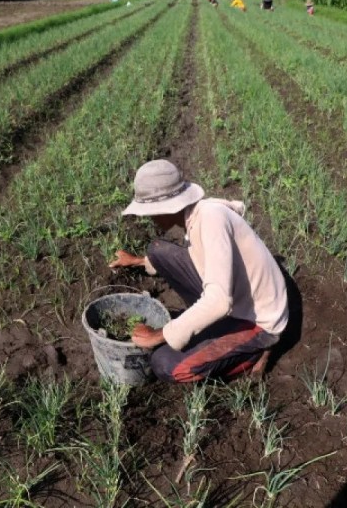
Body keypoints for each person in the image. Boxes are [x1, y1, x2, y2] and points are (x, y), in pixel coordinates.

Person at [109, 160, 288, 383]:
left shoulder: (212, 220)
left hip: (258, 320)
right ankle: (210, 328)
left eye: (150, 212)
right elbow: (201, 258)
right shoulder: (200, 214)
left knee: (165, 364)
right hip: (237, 297)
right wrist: (137, 262)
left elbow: (219, 302)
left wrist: (159, 335)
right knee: (158, 252)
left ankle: (251, 353)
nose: (149, 218)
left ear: (166, 207)